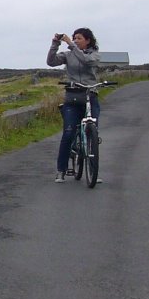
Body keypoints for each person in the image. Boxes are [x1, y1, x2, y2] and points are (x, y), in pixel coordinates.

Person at [47, 28, 101, 183]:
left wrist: (71, 45)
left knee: (93, 134)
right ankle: (61, 170)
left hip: (90, 96)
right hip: (72, 98)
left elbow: (87, 61)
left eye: (79, 38)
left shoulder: (94, 54)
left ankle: (93, 170)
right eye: (74, 38)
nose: (76, 40)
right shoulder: (68, 55)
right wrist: (55, 44)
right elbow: (51, 62)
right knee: (68, 133)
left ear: (88, 40)